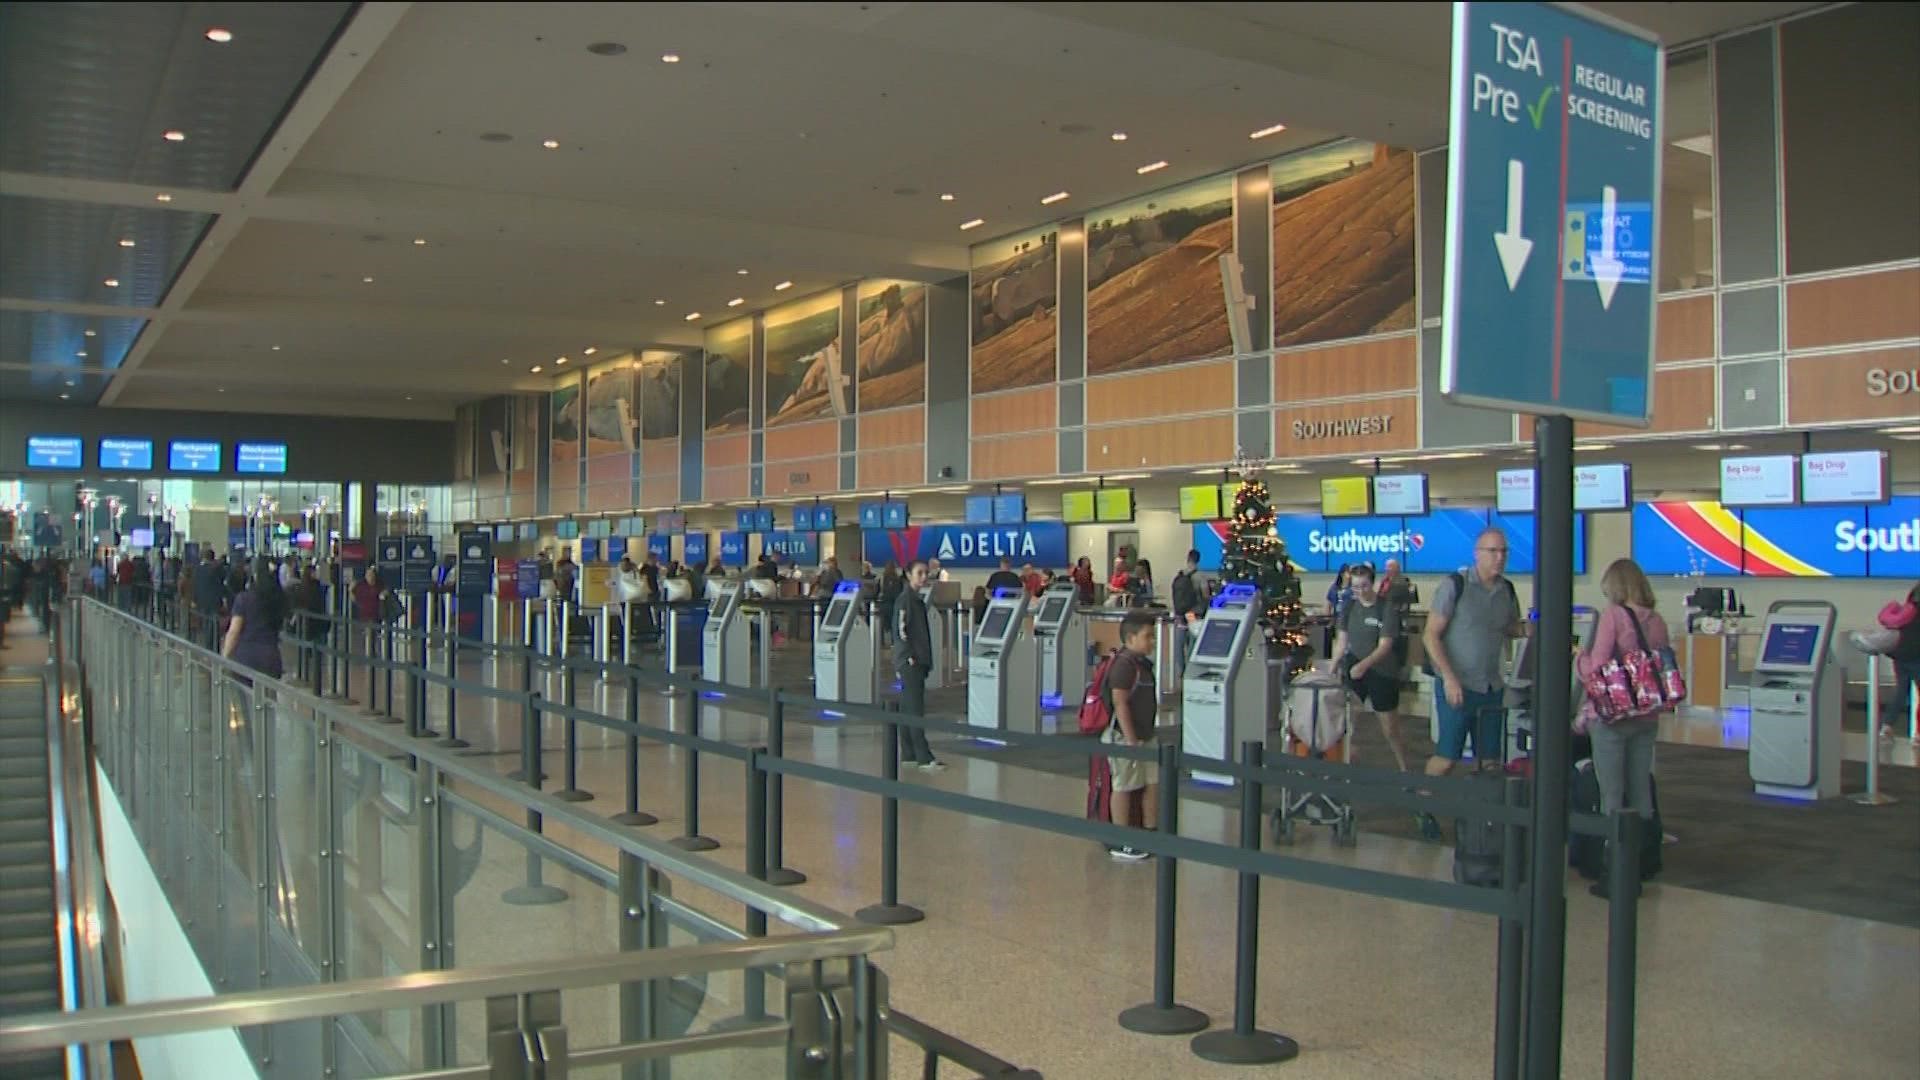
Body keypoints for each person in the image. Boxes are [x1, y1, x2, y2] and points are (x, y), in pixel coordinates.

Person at [1576, 558, 1673, 898]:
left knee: (1612, 794)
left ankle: (1614, 873)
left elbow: (1598, 669)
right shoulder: (1657, 620)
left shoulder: (1613, 617)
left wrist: (1578, 658)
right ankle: (1642, 863)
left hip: (1614, 719)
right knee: (1641, 791)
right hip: (1647, 716)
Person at [1420, 527, 1524, 783]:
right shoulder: (1456, 585)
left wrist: (1527, 629)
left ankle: (1484, 817)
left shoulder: (1506, 591)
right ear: (1477, 554)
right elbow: (1431, 635)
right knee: (1447, 758)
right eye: (1492, 551)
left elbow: (1508, 626)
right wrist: (1449, 678)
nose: (1499, 557)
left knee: (1490, 761)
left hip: (1491, 686)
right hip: (1458, 685)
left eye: (1503, 551)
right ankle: (1423, 802)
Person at [1332, 564, 1410, 773]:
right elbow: (1341, 641)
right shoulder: (1349, 607)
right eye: (1356, 588)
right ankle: (1347, 760)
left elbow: (1385, 646)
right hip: (1354, 665)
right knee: (1346, 720)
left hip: (1382, 671)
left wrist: (1364, 666)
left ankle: (1404, 767)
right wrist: (1332, 667)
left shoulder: (1386, 608)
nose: (1360, 591)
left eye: (1364, 586)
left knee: (1389, 728)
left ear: (1372, 584)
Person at [1103, 611, 1161, 862]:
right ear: (1130, 637)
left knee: (1151, 783)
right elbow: (1120, 703)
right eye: (1147, 637)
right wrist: (1130, 739)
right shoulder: (1124, 665)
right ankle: (1121, 837)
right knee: (1124, 785)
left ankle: (1150, 831)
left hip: (1146, 735)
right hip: (1124, 737)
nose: (1152, 642)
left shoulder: (1142, 664)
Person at [895, 561, 944, 771]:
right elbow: (901, 630)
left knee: (908, 706)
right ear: (908, 575)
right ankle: (924, 756)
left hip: (914, 660)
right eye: (919, 573)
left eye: (925, 573)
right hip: (911, 662)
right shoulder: (906, 600)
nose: (923, 577)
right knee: (915, 709)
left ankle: (909, 752)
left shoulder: (914, 600)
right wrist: (910, 656)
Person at [223, 555, 289, 678]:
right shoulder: (280, 599)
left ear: (255, 574)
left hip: (246, 657)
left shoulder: (244, 599)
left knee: (246, 695)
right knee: (268, 696)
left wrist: (225, 657)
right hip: (271, 657)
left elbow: (234, 632)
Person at [1883, 582, 1920, 735]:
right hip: (1916, 658)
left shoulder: (1907, 612)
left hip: (1900, 656)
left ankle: (1886, 725)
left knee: (1901, 692)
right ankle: (1918, 733)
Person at [192, 550, 228, 650]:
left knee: (205, 624)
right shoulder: (217, 569)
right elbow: (221, 585)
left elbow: (195, 586)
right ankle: (213, 647)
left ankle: (208, 647)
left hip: (201, 601)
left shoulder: (197, 570)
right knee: (214, 626)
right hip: (214, 601)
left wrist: (195, 599)